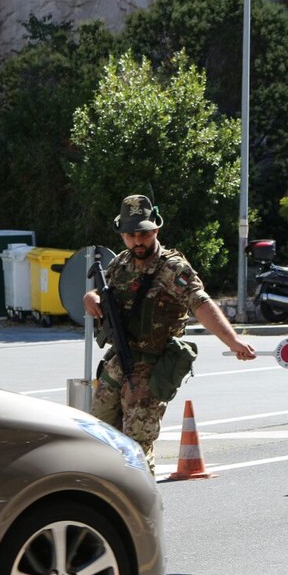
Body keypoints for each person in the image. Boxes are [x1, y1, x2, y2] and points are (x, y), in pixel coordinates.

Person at [83, 194, 256, 475]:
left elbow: (200, 303)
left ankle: (142, 497)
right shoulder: (121, 264)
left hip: (151, 367)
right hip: (118, 362)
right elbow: (104, 292)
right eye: (130, 235)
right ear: (122, 235)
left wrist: (233, 341)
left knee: (136, 446)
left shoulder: (172, 268)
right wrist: (90, 297)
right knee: (100, 436)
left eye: (143, 234)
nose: (137, 241)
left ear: (156, 230)